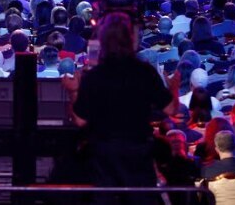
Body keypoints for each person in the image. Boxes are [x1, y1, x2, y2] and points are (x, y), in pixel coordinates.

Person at [65, 12, 180, 204]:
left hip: (104, 153)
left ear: (102, 40)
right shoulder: (145, 72)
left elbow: (79, 120)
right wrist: (174, 88)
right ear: (131, 38)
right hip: (138, 152)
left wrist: (73, 92)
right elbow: (171, 110)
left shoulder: (94, 76)